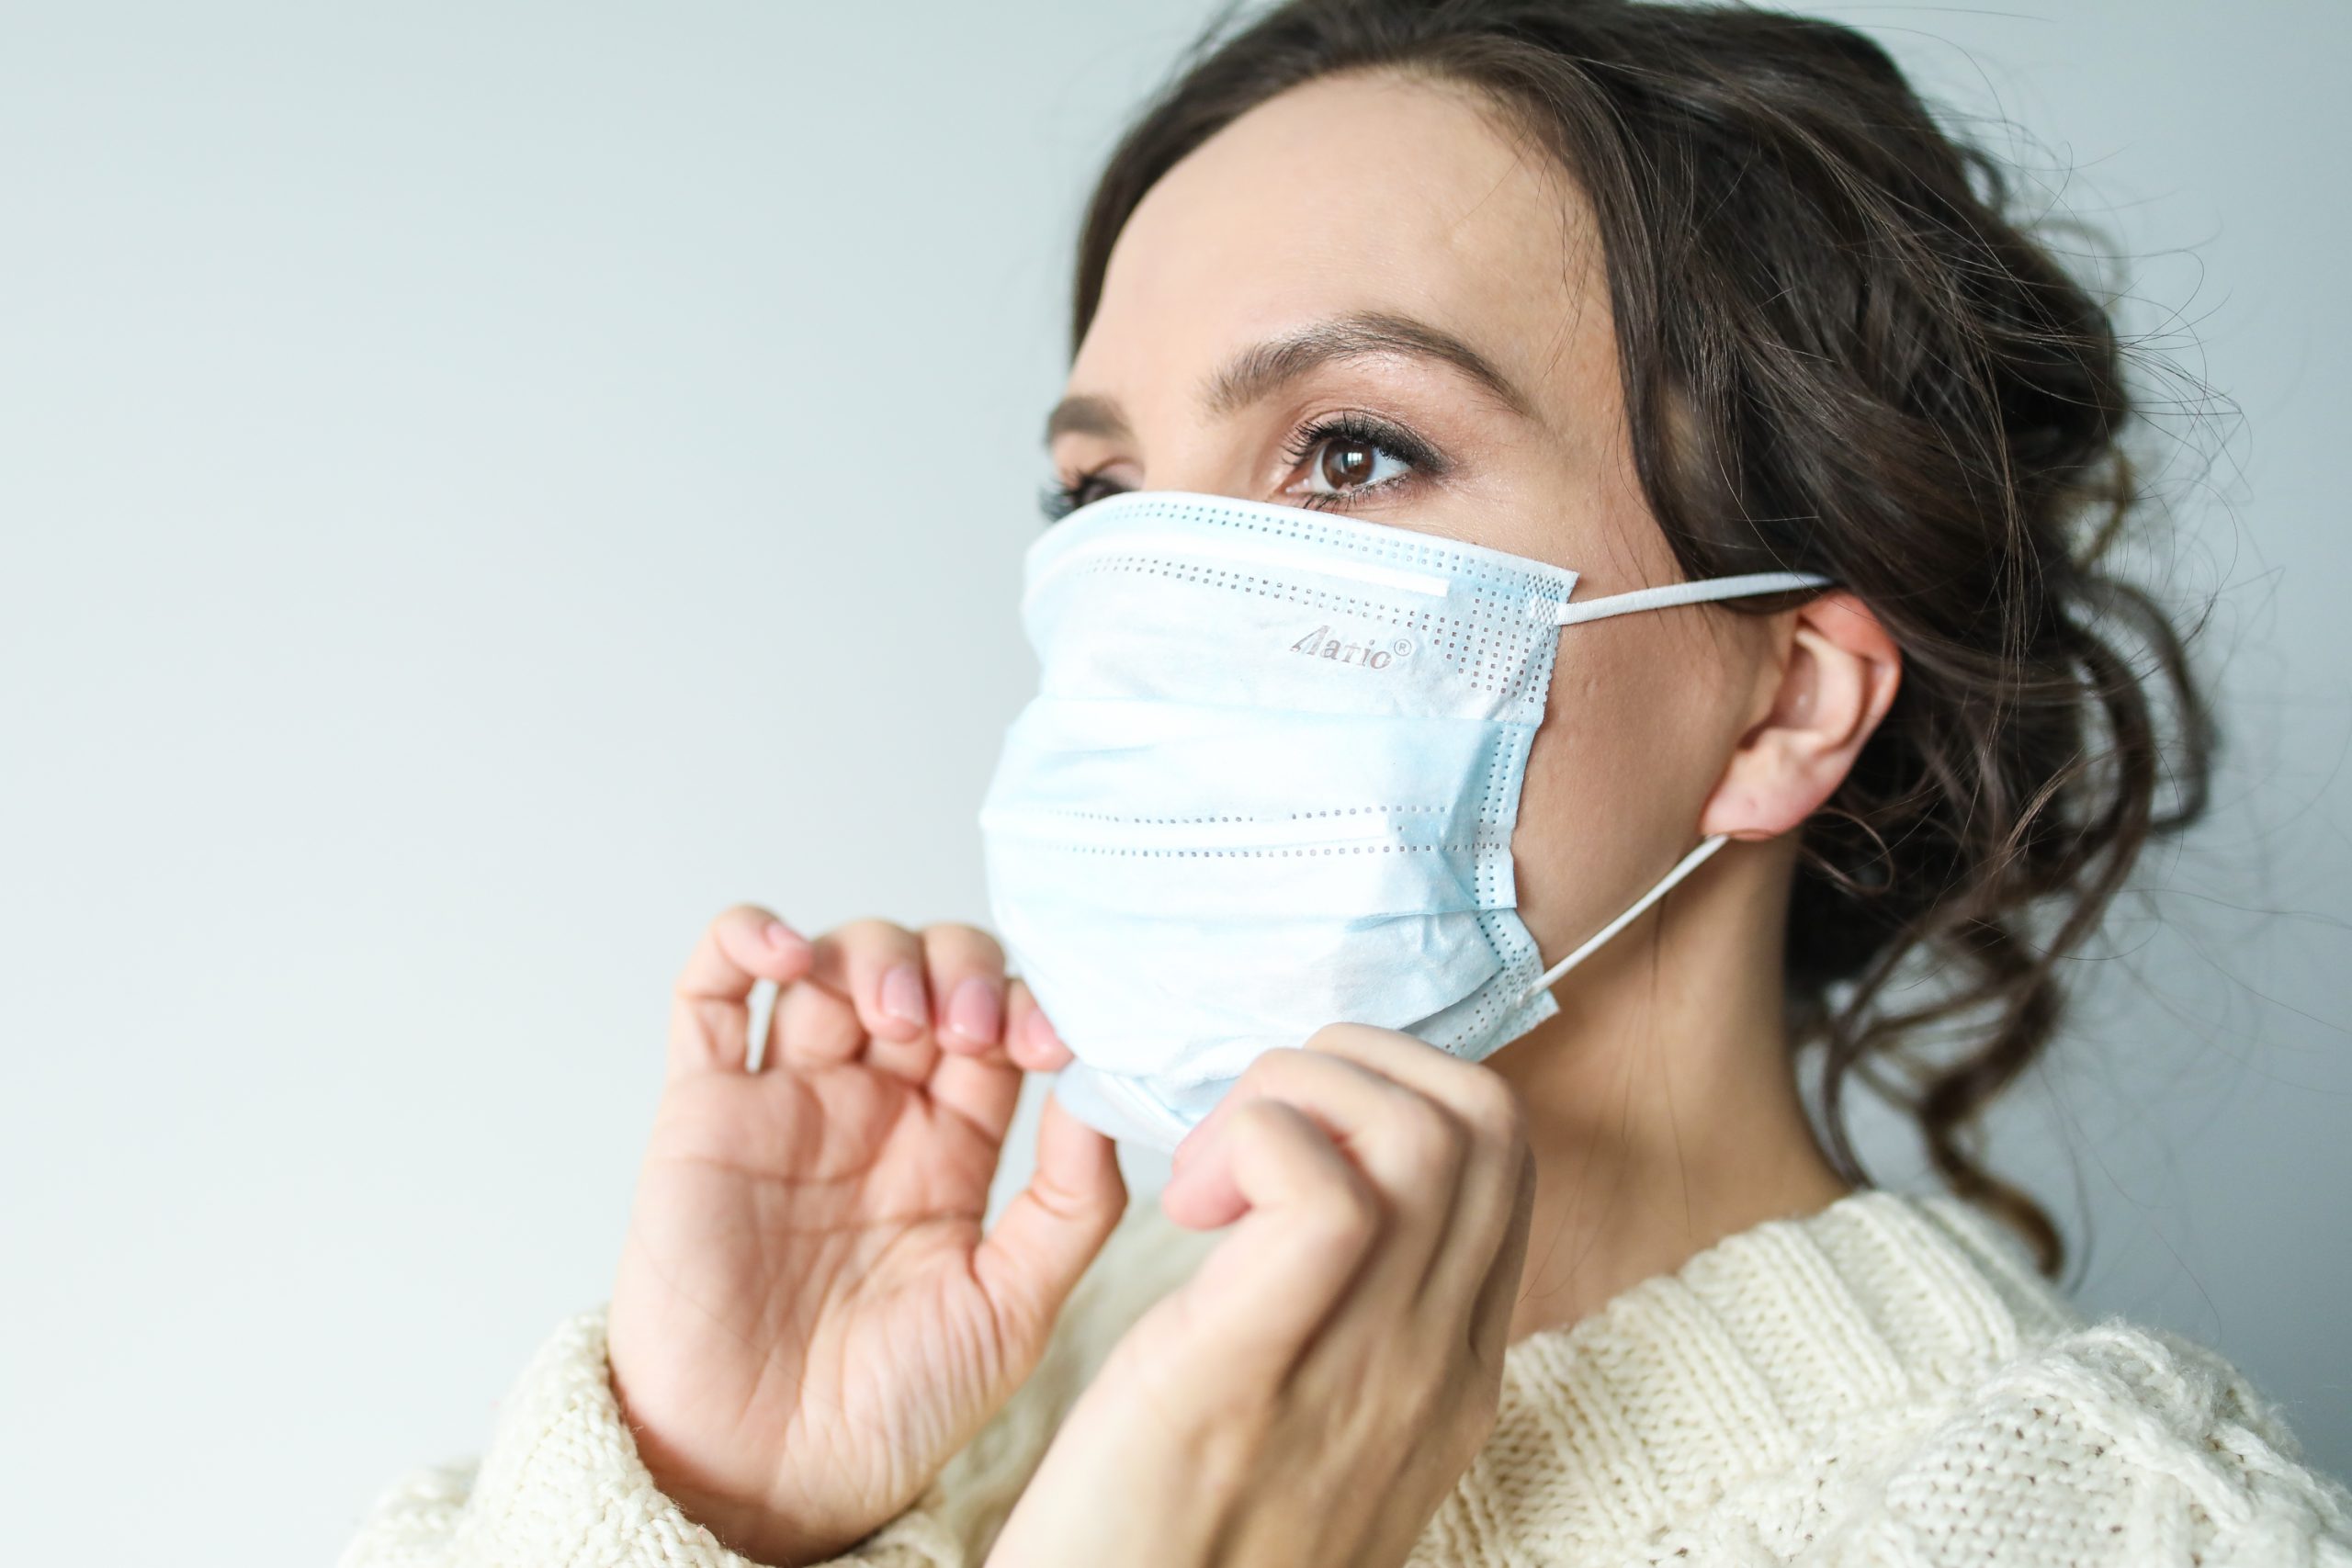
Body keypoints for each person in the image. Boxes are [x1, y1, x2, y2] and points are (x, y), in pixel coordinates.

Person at [339, 3, 2352, 1564]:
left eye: (1350, 451)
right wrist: (711, 1496)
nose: (1151, 592)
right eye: (1103, 494)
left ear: (1781, 705)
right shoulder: (924, 1380)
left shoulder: (2115, 1524)